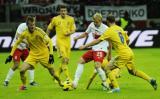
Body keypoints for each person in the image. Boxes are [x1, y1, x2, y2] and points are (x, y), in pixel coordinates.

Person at [79, 14, 157, 93]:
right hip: (129, 52)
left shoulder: (109, 31)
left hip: (123, 54)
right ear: (115, 21)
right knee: (133, 71)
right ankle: (150, 79)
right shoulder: (120, 28)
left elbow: (97, 40)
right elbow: (128, 40)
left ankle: (116, 88)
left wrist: (85, 45)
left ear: (107, 21)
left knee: (107, 69)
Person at [5, 16, 63, 90]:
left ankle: (61, 82)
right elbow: (16, 43)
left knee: (52, 73)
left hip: (44, 54)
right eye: (31, 25)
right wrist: (10, 55)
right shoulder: (25, 33)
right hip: (33, 55)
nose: (33, 26)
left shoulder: (39, 31)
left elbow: (49, 41)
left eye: (33, 24)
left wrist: (51, 54)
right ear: (27, 25)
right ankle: (24, 86)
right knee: (22, 70)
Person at [72, 13, 111, 89]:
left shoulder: (106, 29)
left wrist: (109, 54)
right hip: (94, 49)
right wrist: (77, 38)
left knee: (97, 66)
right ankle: (75, 82)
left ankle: (105, 84)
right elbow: (85, 34)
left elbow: (110, 41)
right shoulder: (92, 25)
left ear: (100, 20)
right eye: (94, 21)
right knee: (80, 61)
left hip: (102, 49)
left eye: (96, 22)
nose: (95, 23)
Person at [47, 4, 76, 82]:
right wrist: (46, 38)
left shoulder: (71, 19)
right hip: (60, 43)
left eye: (64, 11)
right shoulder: (55, 19)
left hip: (68, 43)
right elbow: (49, 28)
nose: (63, 12)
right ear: (59, 11)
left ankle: (56, 75)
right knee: (64, 59)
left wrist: (69, 33)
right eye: (62, 11)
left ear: (67, 11)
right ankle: (68, 78)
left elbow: (74, 29)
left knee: (66, 61)